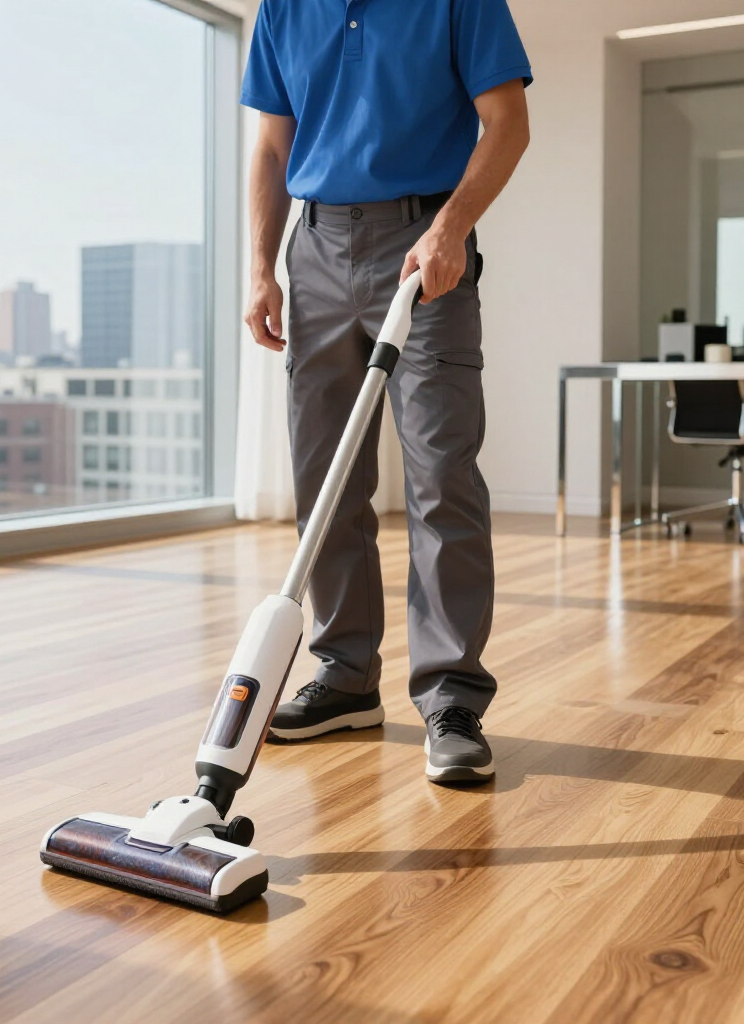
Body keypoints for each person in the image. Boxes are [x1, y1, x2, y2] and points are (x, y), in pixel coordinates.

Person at [241, 0, 531, 783]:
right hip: (317, 252)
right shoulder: (283, 10)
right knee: (325, 482)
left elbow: (507, 122)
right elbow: (273, 147)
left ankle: (452, 696)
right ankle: (343, 675)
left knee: (442, 476)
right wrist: (263, 267)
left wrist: (451, 226)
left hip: (426, 249)